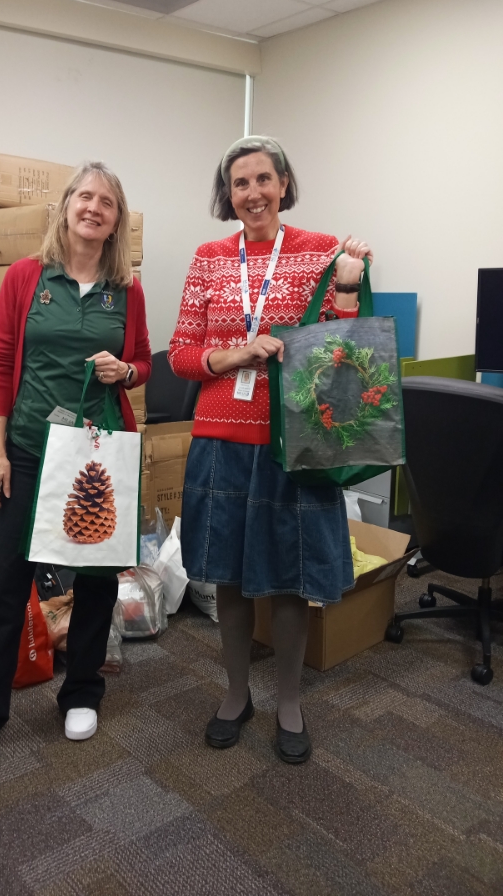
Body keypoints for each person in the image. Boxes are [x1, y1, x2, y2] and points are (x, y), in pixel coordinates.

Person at [168, 135, 374, 764]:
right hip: (221, 440)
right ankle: (235, 694)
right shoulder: (208, 258)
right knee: (228, 580)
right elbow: (181, 355)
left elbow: (346, 353)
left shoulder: (319, 252)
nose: (252, 193)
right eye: (239, 184)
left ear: (284, 183)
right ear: (226, 196)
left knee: (287, 581)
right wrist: (239, 353)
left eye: (263, 179)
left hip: (292, 444)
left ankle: (288, 699)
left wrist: (346, 284)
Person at [0, 161, 151, 761]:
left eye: (107, 203)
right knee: (10, 579)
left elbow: (142, 359)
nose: (94, 208)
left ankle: (82, 693)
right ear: (66, 206)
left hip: (97, 453)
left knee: (94, 579)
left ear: (116, 221)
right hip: (33, 451)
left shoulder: (128, 288)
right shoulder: (25, 278)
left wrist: (128, 372)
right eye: (85, 197)